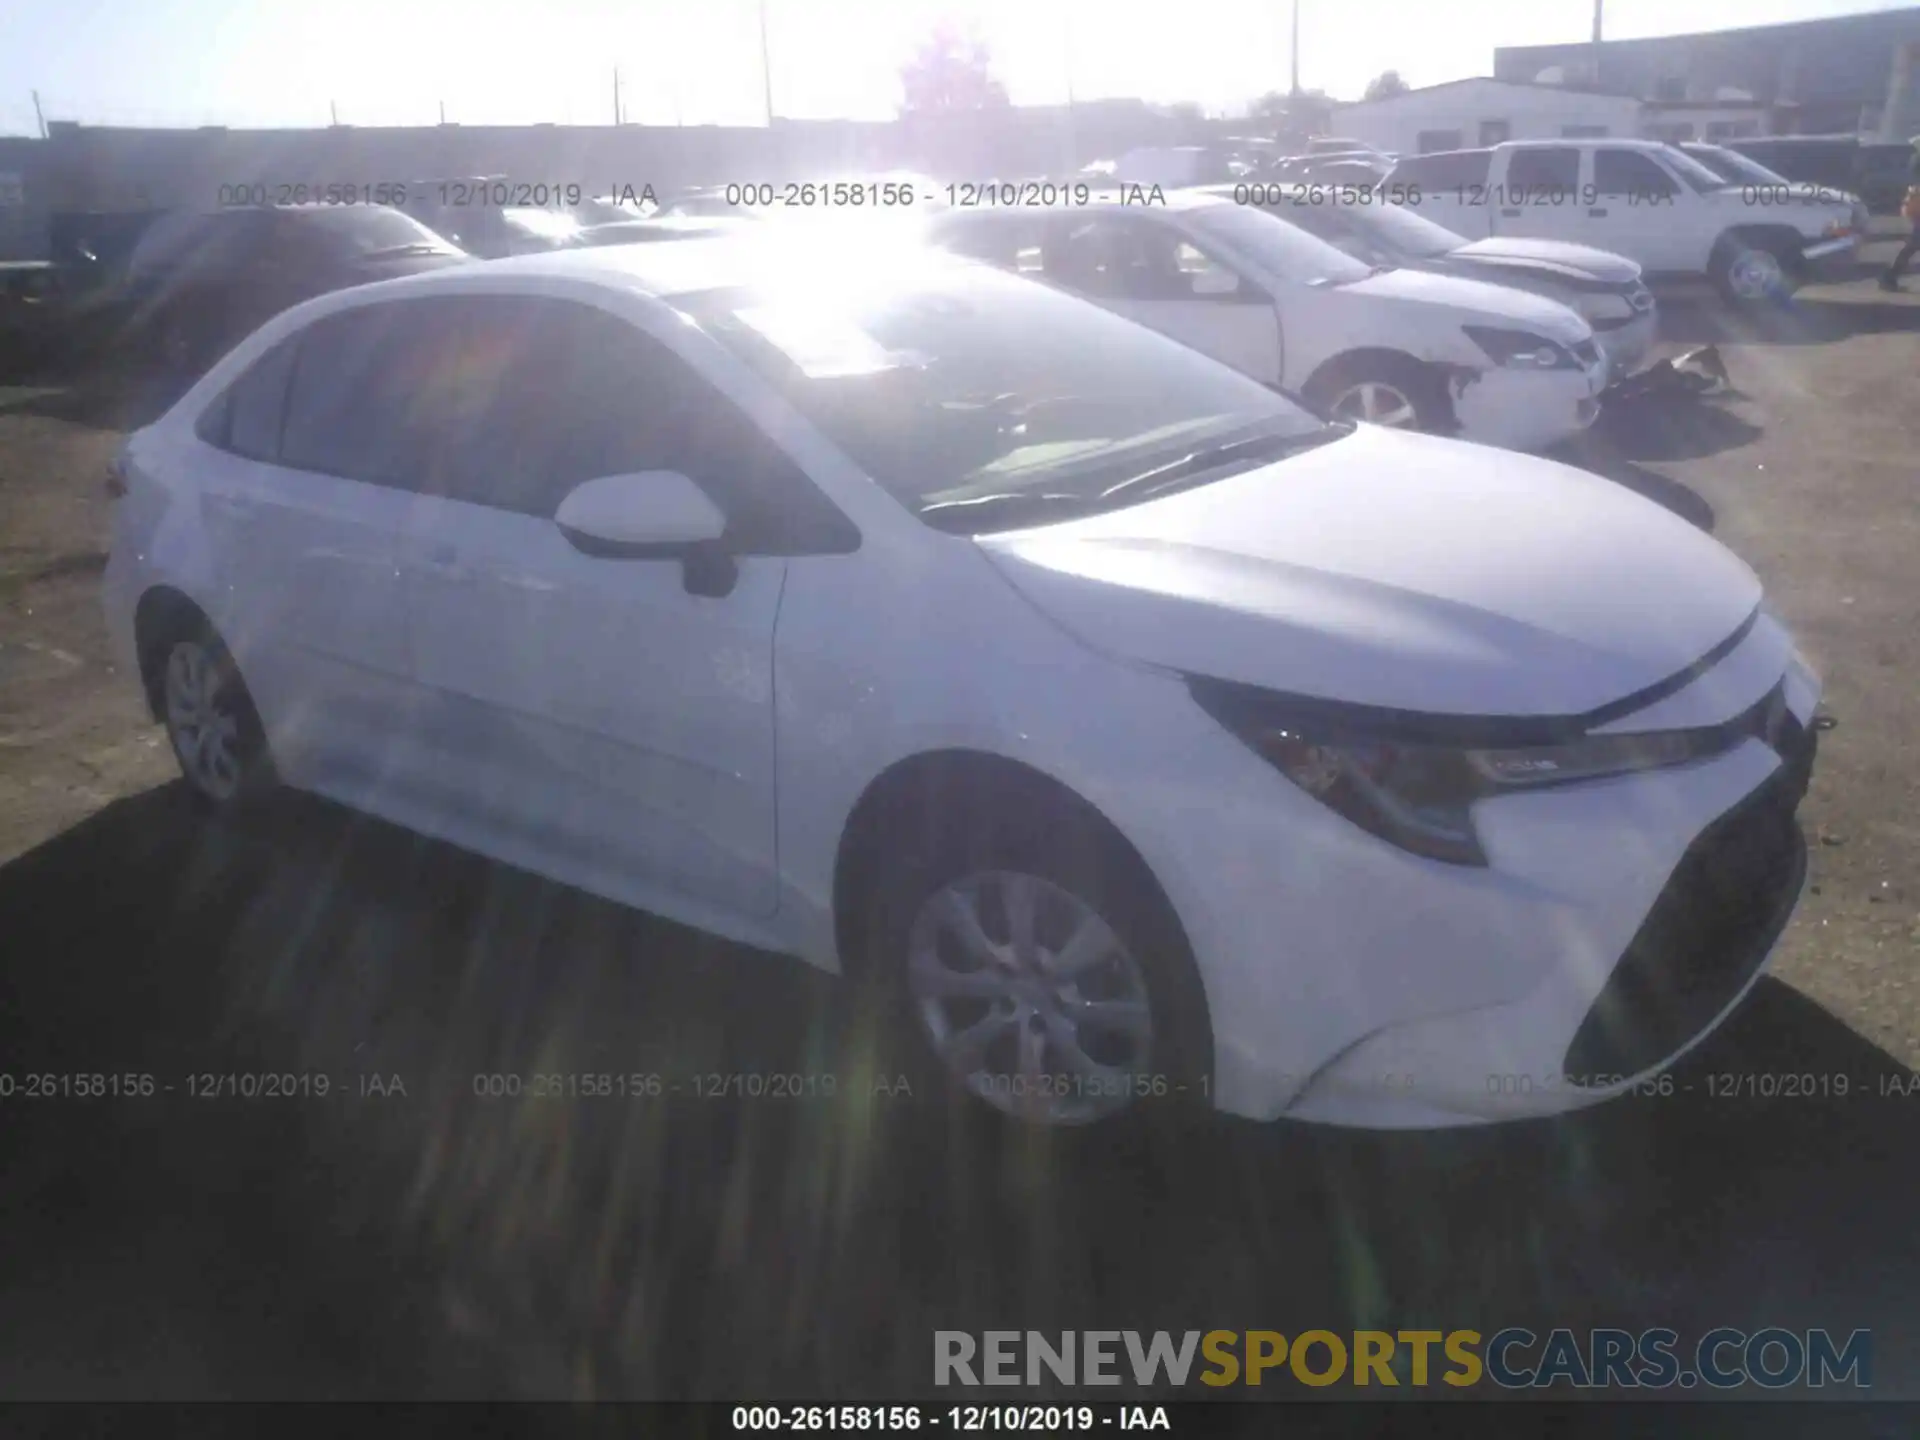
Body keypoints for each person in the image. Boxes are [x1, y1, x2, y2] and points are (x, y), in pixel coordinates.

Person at [1877, 136, 1920, 292]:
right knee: (1912, 245)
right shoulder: (1917, 162)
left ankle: (1888, 278)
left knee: (1912, 246)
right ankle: (1888, 278)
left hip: (1916, 207)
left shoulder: (1914, 162)